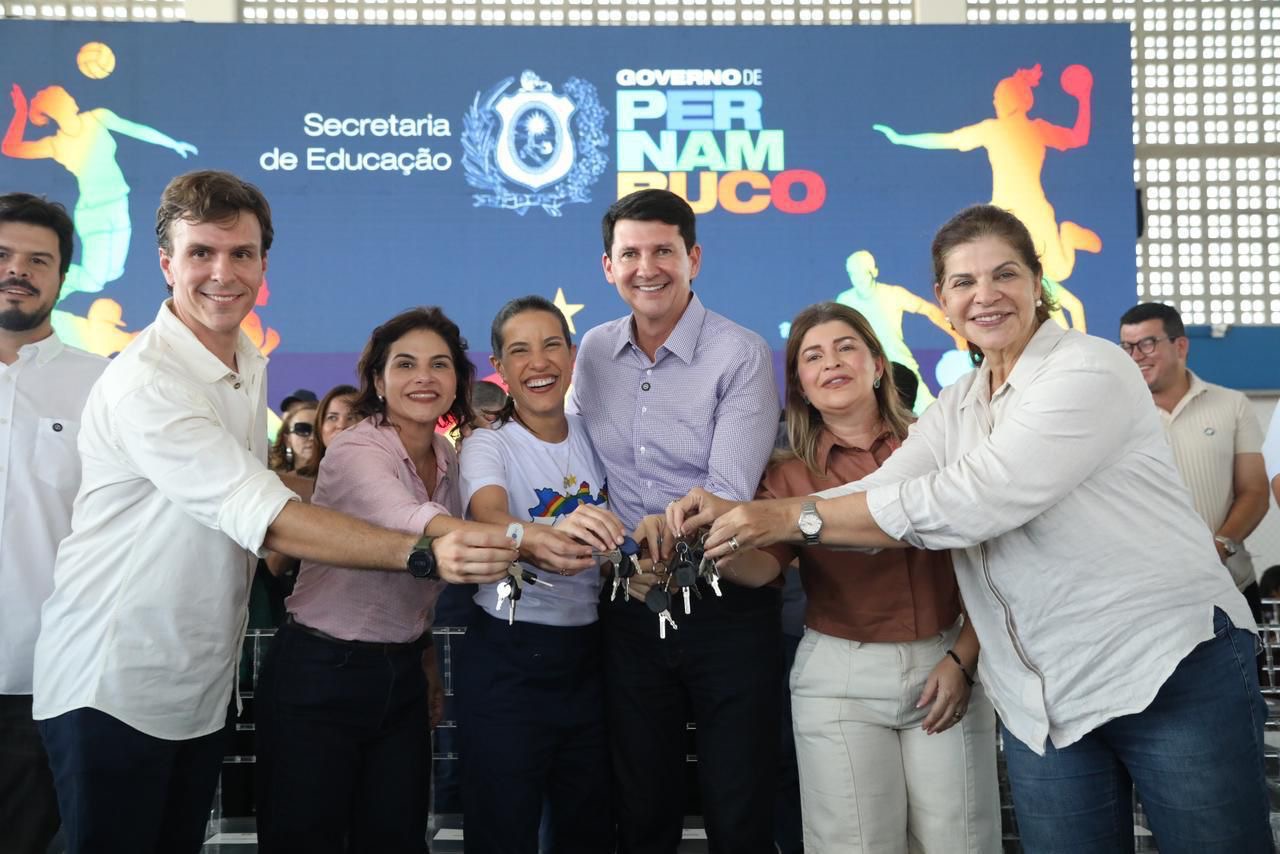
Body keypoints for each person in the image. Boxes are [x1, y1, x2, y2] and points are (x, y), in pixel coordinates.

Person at [672, 204, 1269, 853]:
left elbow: (975, 498)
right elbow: (890, 485)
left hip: (1164, 666)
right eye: (964, 282)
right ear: (943, 300)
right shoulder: (959, 403)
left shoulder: (1088, 368)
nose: (985, 295)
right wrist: (739, 516)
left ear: (1036, 283)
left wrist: (787, 516)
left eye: (1004, 274)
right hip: (1042, 694)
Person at [30, 170, 517, 854]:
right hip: (114, 683)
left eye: (241, 253)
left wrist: (336, 496)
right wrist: (422, 552)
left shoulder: (244, 359)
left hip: (198, 686)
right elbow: (268, 518)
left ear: (263, 265)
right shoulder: (150, 382)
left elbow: (251, 480)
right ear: (166, 263)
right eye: (201, 253)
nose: (222, 273)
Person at [679, 302, 1000, 853]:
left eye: (846, 347)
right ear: (800, 387)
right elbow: (761, 569)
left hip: (945, 662)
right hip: (839, 678)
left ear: (878, 365)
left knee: (961, 842)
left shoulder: (942, 443)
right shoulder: (785, 474)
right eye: (813, 356)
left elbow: (993, 565)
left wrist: (964, 659)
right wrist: (721, 544)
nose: (831, 362)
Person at [255, 306, 543, 854]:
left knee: (398, 838)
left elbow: (419, 583)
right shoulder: (356, 446)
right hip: (320, 672)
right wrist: (528, 540)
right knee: (303, 838)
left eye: (440, 364)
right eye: (405, 364)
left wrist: (426, 657)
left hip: (403, 672)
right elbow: (412, 523)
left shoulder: (447, 458)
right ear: (379, 381)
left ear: (458, 381)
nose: (424, 377)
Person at [567, 188, 781, 854]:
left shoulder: (740, 353)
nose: (647, 268)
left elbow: (725, 492)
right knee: (641, 801)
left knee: (738, 802)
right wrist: (616, 554)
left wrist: (657, 534)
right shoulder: (592, 351)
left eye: (663, 251)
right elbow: (578, 472)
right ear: (608, 266)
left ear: (694, 258)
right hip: (629, 603)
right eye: (630, 254)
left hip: (724, 603)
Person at [456, 295, 618, 852]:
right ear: (499, 368)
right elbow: (489, 518)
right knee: (503, 828)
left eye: (552, 345)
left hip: (593, 656)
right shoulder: (487, 443)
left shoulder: (597, 434)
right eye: (520, 351)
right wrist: (543, 535)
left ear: (572, 356)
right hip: (508, 656)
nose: (539, 362)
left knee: (587, 827)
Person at [0, 193, 106, 854]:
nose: (19, 269)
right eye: (4, 254)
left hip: (44, 679)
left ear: (63, 277)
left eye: (39, 260)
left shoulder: (103, 387)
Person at [873, 64, 1096, 331]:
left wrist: (1084, 97)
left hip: (1034, 211)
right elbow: (949, 140)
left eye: (999, 97)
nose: (995, 102)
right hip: (1005, 217)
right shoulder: (995, 129)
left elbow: (1077, 137)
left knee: (1057, 272)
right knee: (1024, 280)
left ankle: (1068, 239)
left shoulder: (1029, 129)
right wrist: (901, 139)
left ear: (1015, 99)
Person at [1120, 302, 1270, 621]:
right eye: (1127, 346)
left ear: (1181, 346)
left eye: (1147, 343)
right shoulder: (1115, 415)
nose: (1136, 356)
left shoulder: (1232, 404)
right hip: (1146, 596)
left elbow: (1255, 491)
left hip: (1231, 585)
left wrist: (1219, 547)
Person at [269, 400, 318, 478]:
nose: (312, 437)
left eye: (318, 430)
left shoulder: (337, 479)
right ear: (287, 440)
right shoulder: (272, 479)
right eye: (302, 429)